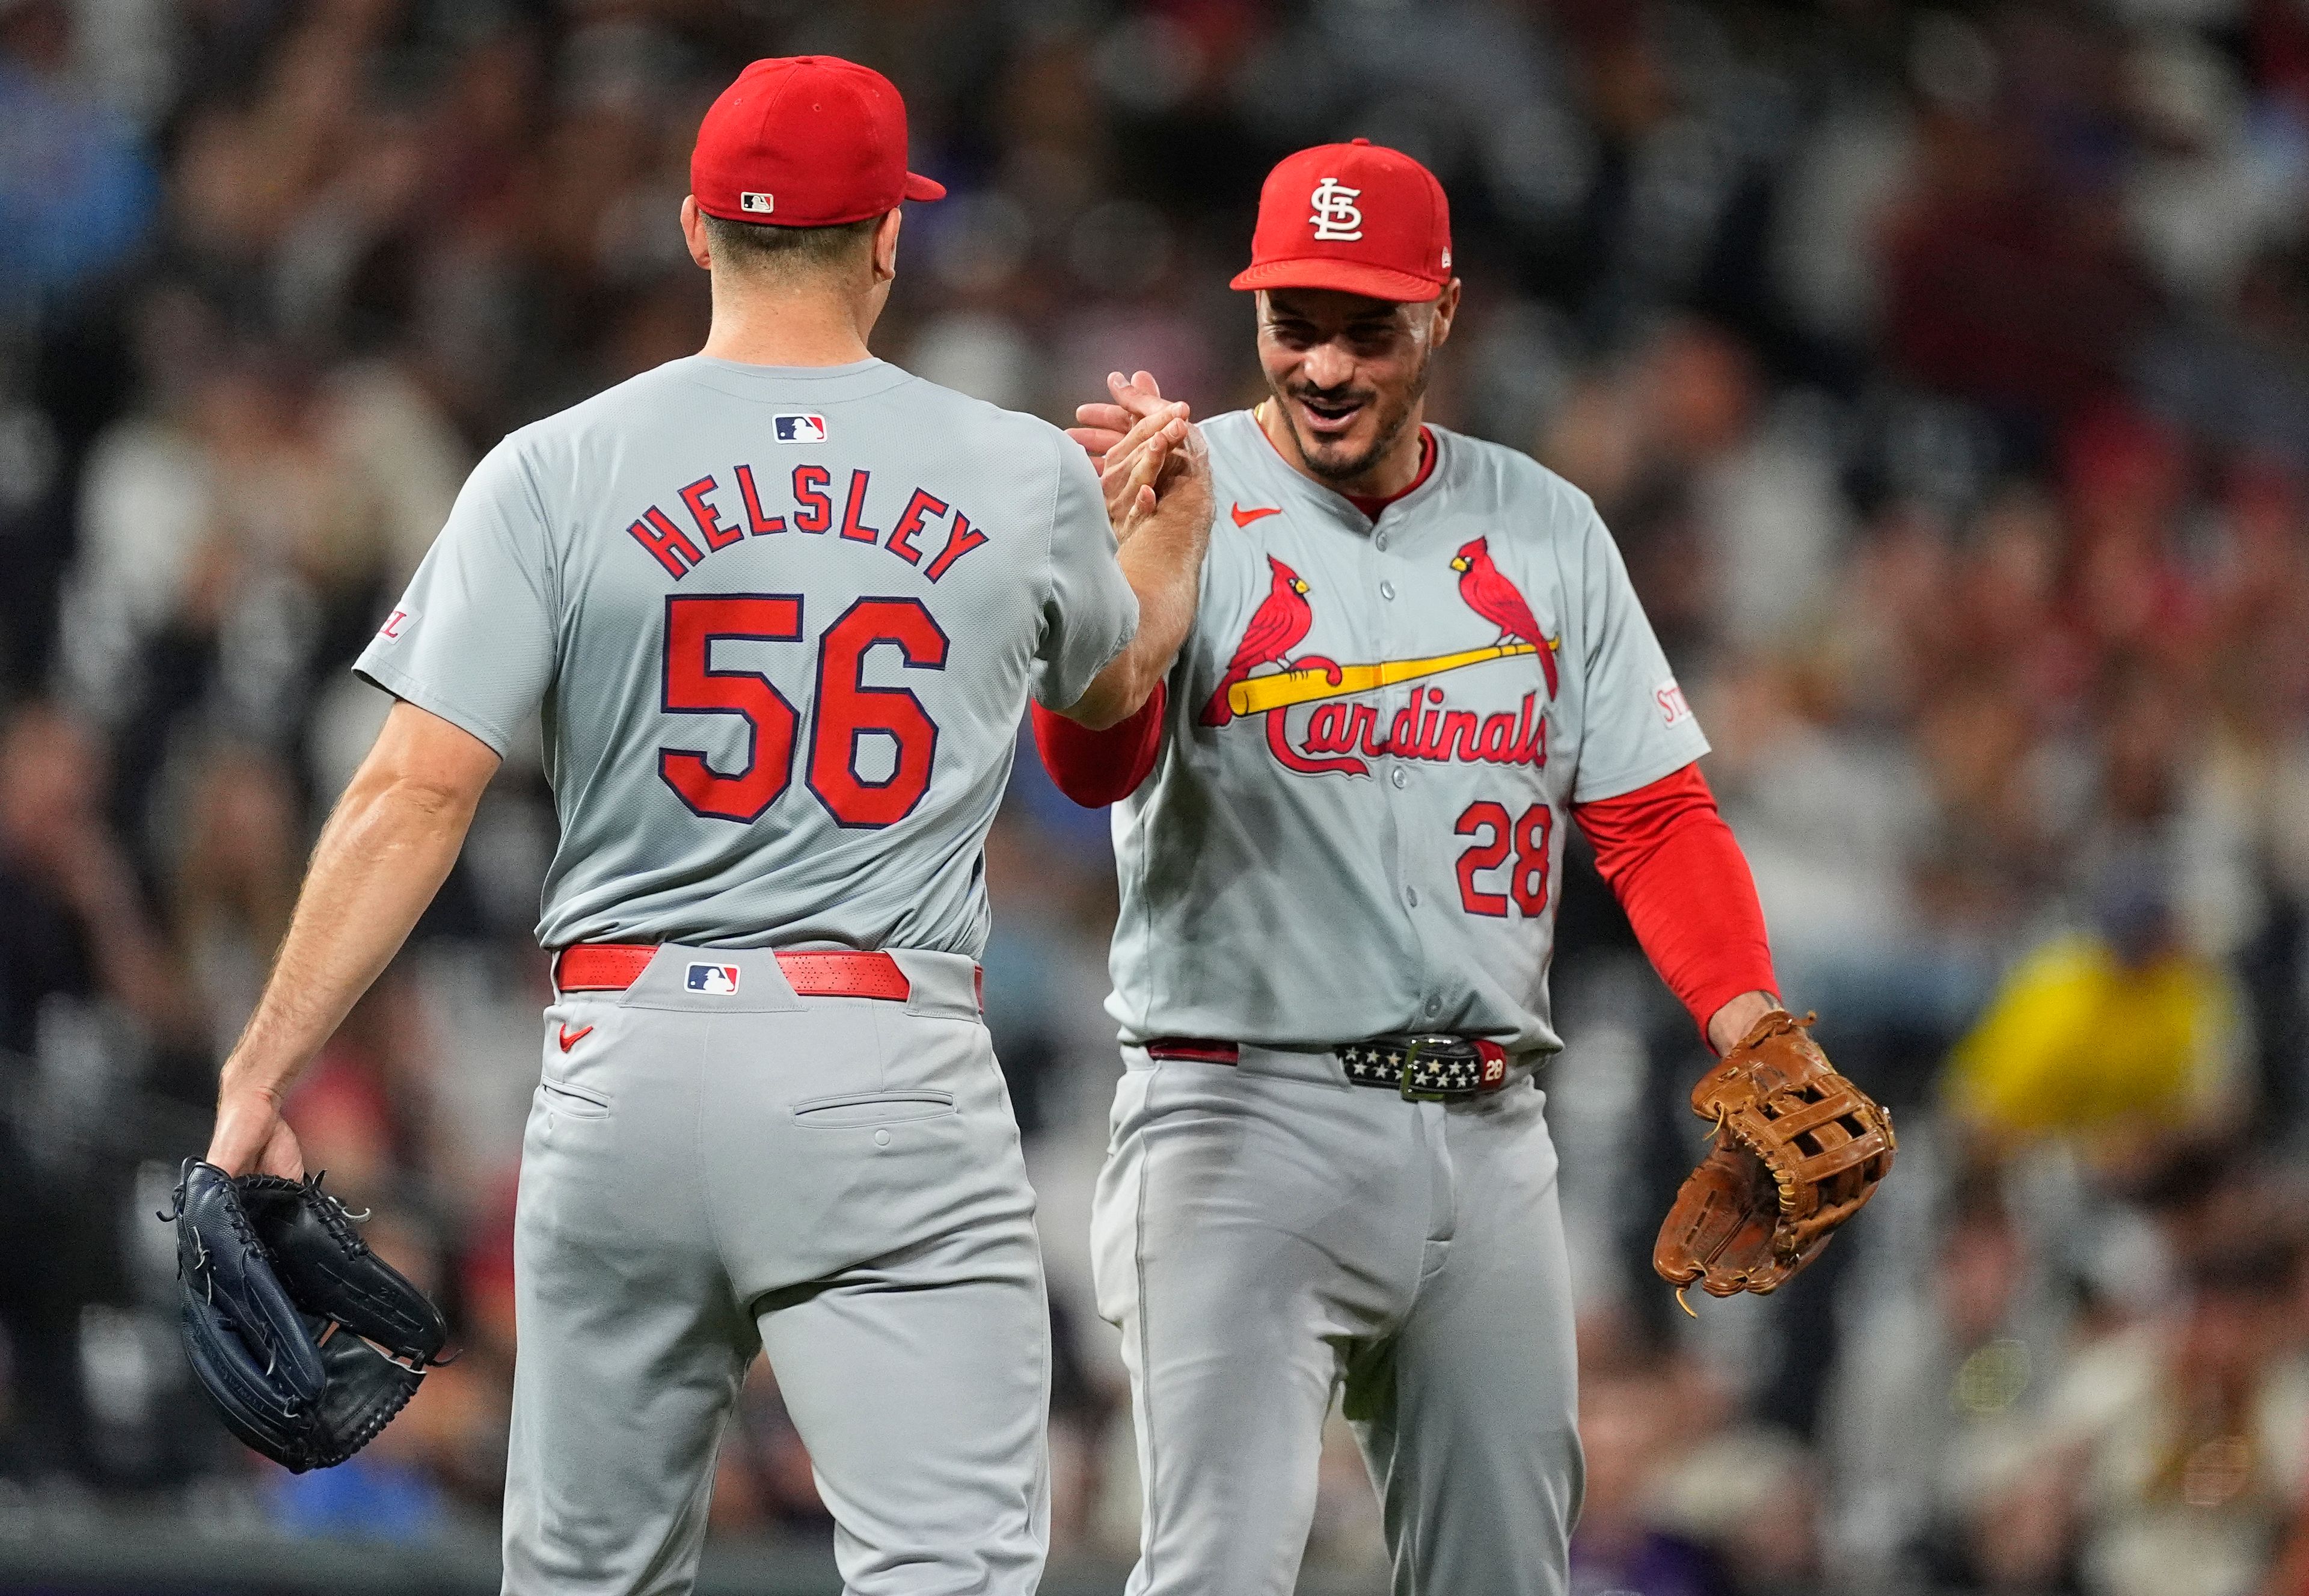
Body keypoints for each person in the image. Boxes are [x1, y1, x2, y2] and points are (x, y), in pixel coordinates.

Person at [200, 55, 1213, 1596]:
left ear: (693, 228)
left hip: (623, 1067)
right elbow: (1118, 689)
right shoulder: (1020, 470)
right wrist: (1170, 547)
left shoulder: (551, 465)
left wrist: (259, 1072)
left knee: (585, 1580)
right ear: (888, 240)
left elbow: (414, 788)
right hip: (881, 1071)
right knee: (948, 1570)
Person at [1034, 139, 1783, 1595]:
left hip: (1491, 1132)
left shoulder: (1548, 526)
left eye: (1365, 328)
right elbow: (1091, 770)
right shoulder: (1173, 492)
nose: (1321, 364)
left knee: (1509, 1573)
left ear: (1443, 313)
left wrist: (1750, 1020)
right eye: (1290, 322)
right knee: (1215, 1574)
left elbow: (1651, 816)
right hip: (1239, 1114)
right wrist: (1148, 576)